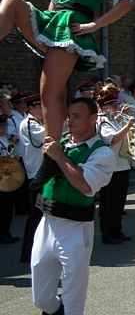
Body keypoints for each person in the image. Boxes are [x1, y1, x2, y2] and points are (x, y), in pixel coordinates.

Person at [0, 0, 131, 186]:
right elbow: (52, 3)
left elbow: (125, 2)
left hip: (72, 32)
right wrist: (41, 24)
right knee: (11, 3)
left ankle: (51, 156)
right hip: (52, 23)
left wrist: (94, 24)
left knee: (50, 92)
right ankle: (53, 154)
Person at [30, 97, 116, 315]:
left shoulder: (102, 153)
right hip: (47, 224)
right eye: (69, 115)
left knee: (73, 300)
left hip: (76, 230)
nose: (70, 120)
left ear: (93, 119)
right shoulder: (60, 142)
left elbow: (85, 185)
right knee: (41, 299)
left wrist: (59, 157)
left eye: (76, 116)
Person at [95, 85, 135, 244]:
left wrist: (122, 119)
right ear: (105, 107)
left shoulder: (113, 120)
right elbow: (112, 139)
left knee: (119, 202)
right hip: (111, 167)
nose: (116, 107)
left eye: (116, 105)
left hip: (122, 165)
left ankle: (117, 230)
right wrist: (128, 126)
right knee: (109, 203)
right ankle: (108, 233)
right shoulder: (102, 122)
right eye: (113, 105)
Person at [18, 94, 45, 262]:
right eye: (39, 107)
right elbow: (43, 137)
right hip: (36, 174)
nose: (42, 110)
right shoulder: (29, 123)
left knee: (43, 213)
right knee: (36, 215)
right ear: (31, 108)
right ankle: (28, 253)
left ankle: (38, 250)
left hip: (42, 172)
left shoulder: (37, 122)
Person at [0, 114, 20, 244]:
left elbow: (9, 152)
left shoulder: (4, 138)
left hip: (8, 177)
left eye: (5, 125)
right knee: (3, 208)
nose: (5, 127)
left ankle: (5, 232)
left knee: (8, 208)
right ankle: (3, 234)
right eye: (3, 125)